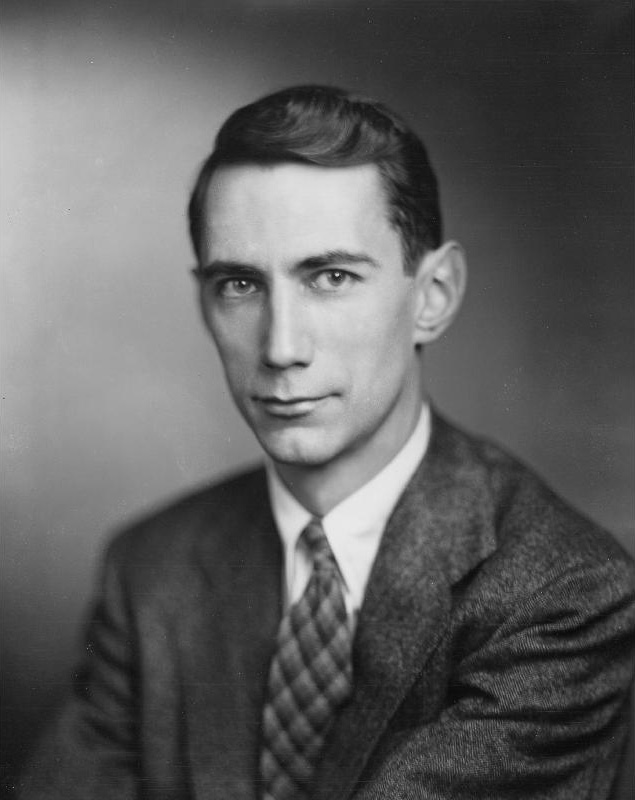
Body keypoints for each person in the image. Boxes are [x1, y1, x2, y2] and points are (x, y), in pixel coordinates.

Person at [17, 85, 635, 800]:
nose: (280, 347)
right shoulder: (151, 568)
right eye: (240, 284)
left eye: (331, 277)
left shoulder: (565, 592)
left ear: (432, 296)